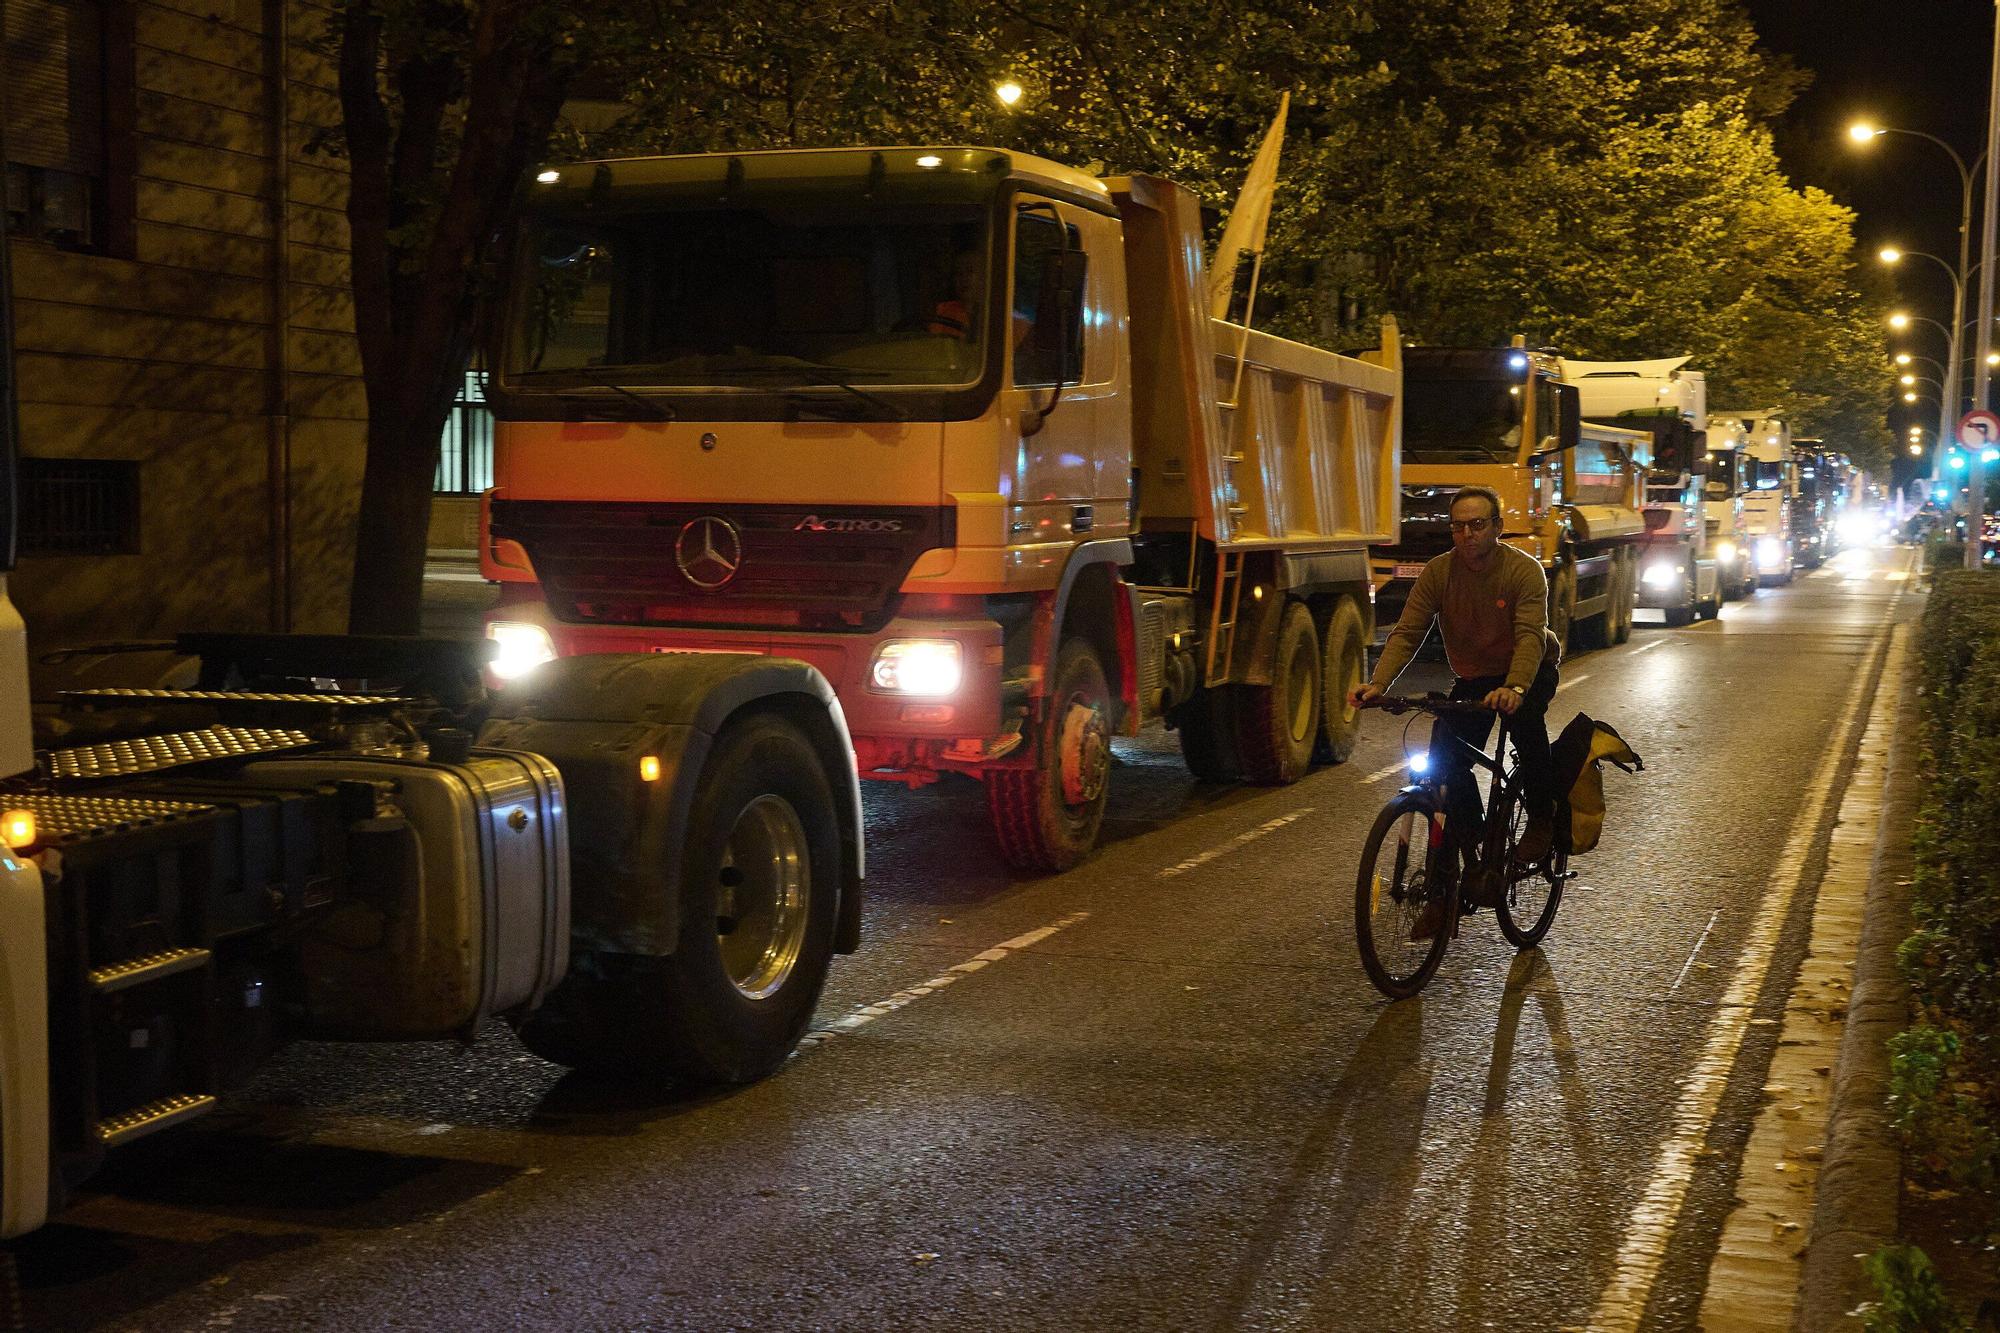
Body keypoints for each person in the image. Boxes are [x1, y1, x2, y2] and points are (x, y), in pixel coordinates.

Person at [1348, 486, 1563, 939]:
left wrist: (1516, 687)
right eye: (1459, 526)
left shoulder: (1524, 572)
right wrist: (1379, 685)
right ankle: (1466, 859)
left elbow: (1528, 637)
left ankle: (1543, 816)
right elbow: (1407, 632)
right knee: (1445, 764)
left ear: (1498, 527)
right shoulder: (1439, 573)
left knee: (1525, 725)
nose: (1467, 534)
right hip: (1475, 677)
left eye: (1478, 524)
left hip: (1528, 669)